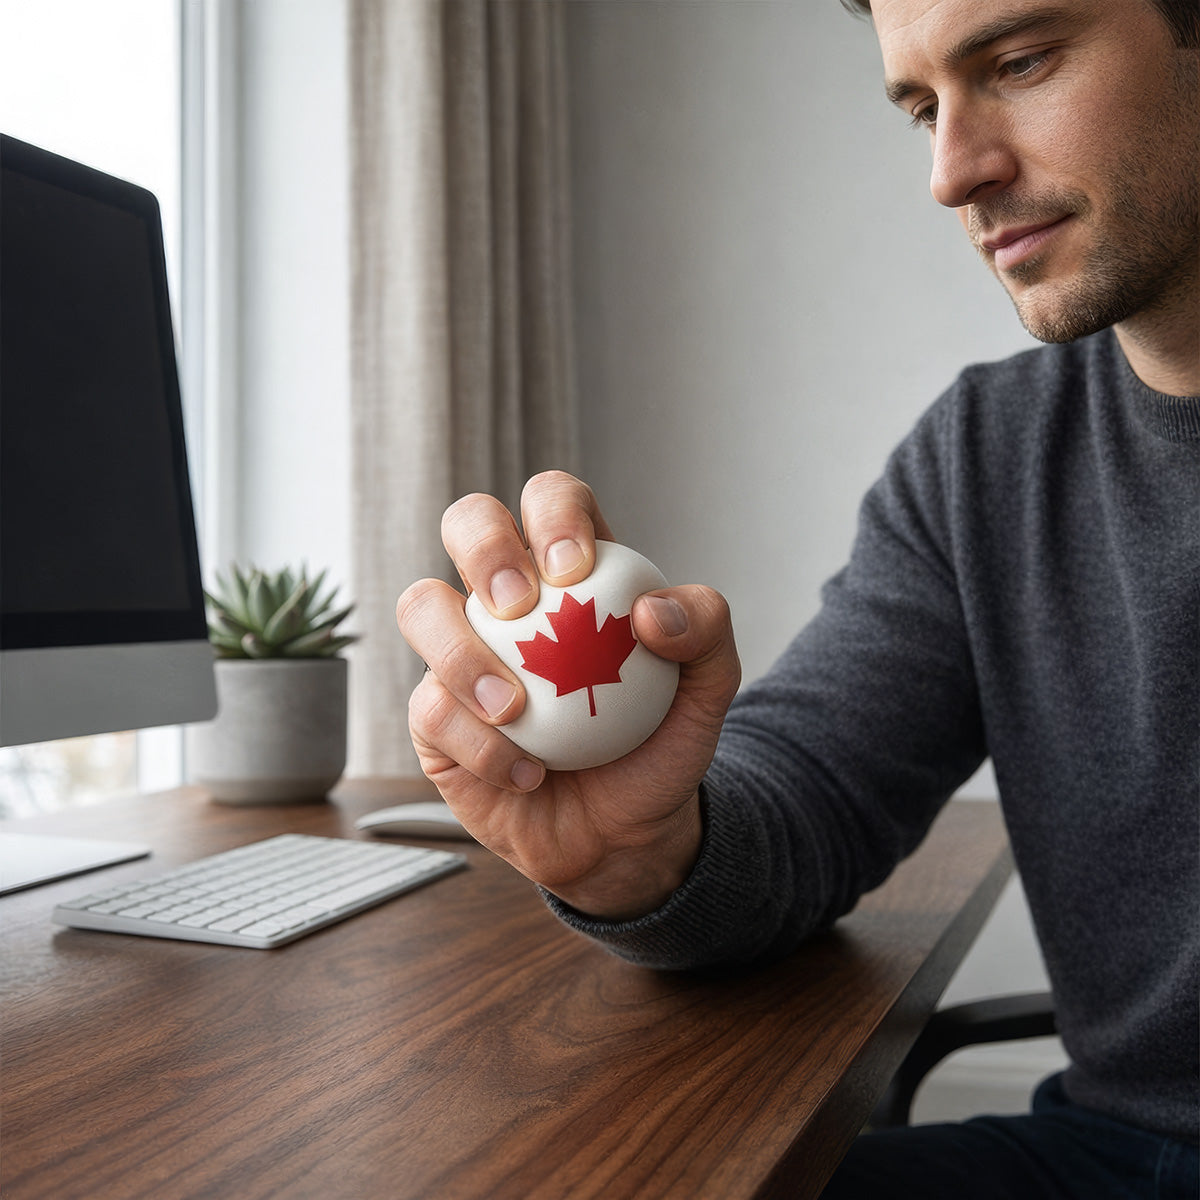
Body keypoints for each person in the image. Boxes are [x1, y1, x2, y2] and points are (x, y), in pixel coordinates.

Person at [397, 0, 1199, 1195]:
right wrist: (645, 849)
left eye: (1021, 62)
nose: (952, 173)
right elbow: (811, 791)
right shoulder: (985, 459)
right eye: (922, 109)